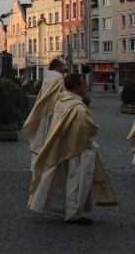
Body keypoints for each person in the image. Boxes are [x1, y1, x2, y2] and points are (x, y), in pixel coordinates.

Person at [28, 73, 116, 224]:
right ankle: (73, 213)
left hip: (62, 146)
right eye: (83, 84)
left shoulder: (61, 102)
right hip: (77, 148)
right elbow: (87, 128)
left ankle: (67, 208)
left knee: (65, 178)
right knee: (76, 180)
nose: (85, 87)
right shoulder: (78, 108)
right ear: (77, 87)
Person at [22, 58, 66, 171]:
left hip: (43, 111)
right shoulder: (59, 80)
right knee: (49, 139)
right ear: (57, 67)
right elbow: (63, 96)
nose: (64, 67)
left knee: (40, 138)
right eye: (62, 65)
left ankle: (36, 164)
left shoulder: (48, 77)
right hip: (52, 112)